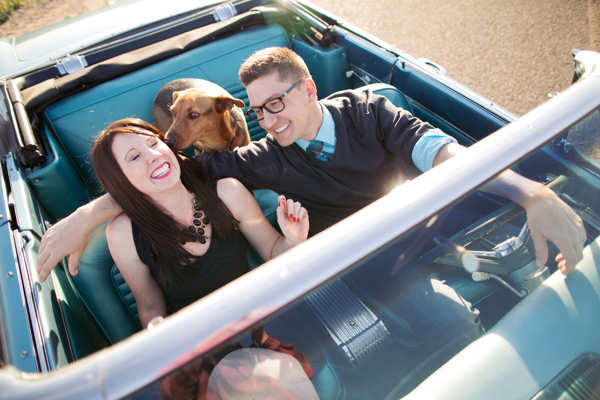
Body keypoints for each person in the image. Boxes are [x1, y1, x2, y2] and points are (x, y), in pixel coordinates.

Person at [37, 47, 585, 354]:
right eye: (258, 111)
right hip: (367, 262)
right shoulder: (258, 159)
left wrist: (530, 191)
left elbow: (442, 153)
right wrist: (85, 215)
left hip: (433, 222)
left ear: (308, 89)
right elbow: (166, 175)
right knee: (454, 328)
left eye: (277, 103)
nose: (269, 122)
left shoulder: (371, 112)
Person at [89, 118, 309, 328]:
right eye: (135, 157)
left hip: (259, 317)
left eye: (154, 143)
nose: (154, 155)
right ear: (120, 179)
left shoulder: (227, 192)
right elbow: (151, 308)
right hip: (199, 346)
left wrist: (293, 240)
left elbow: (272, 250)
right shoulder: (123, 233)